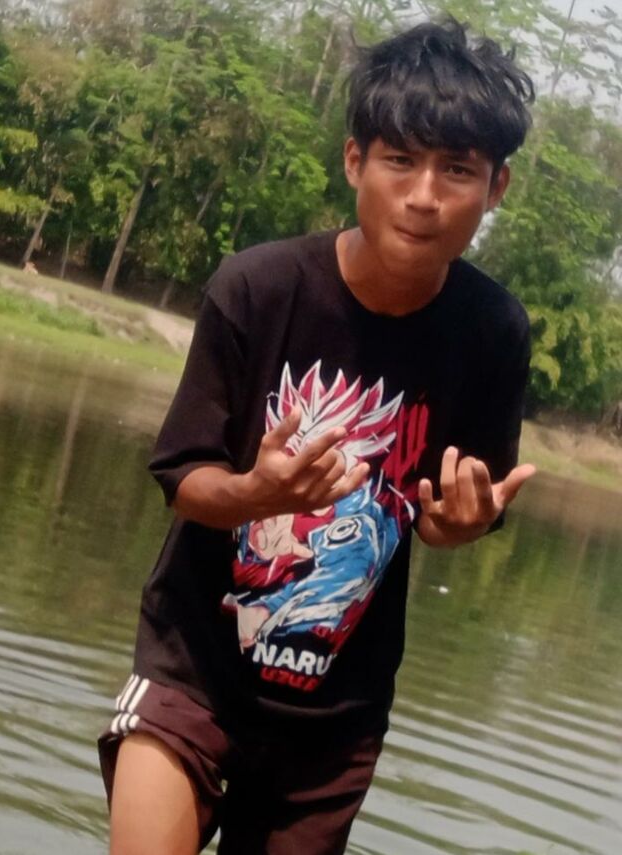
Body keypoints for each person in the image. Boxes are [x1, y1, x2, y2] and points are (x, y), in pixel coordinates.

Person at [98, 17, 536, 855]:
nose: (424, 195)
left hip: (335, 720)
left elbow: (452, 514)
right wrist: (256, 494)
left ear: (497, 188)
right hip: (192, 669)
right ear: (354, 161)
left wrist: (461, 525)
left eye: (457, 170)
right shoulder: (258, 289)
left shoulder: (492, 332)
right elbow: (183, 477)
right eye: (400, 159)